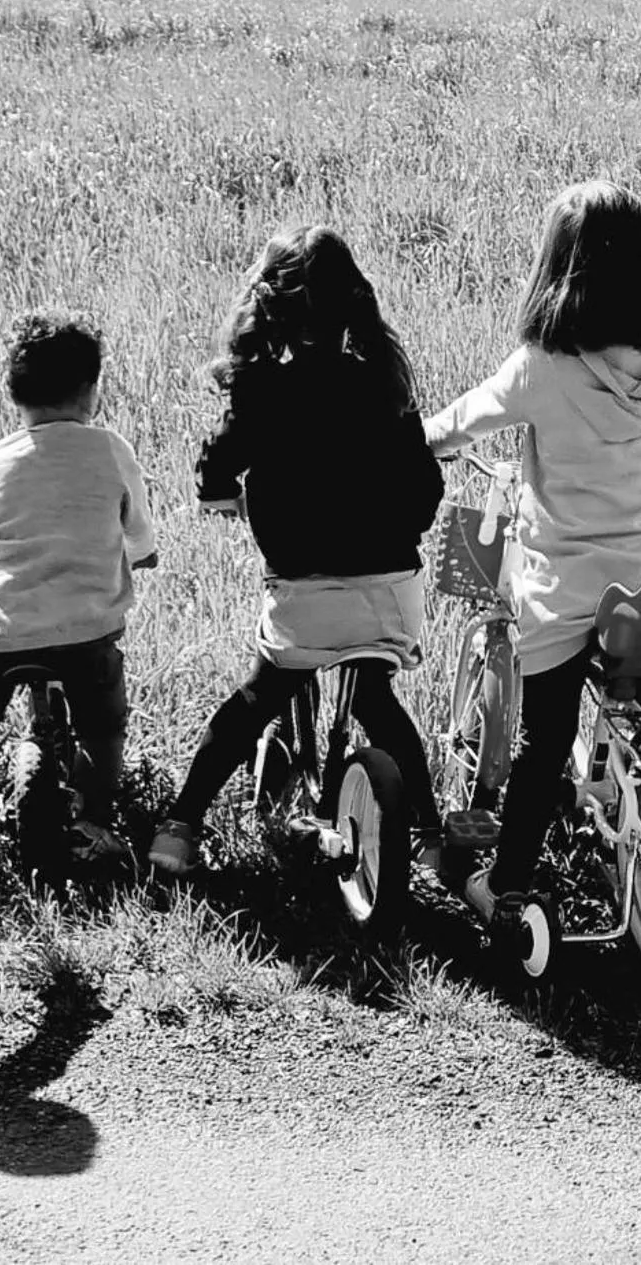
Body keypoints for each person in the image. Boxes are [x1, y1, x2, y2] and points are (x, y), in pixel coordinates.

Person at [424, 180, 641, 923]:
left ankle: (506, 885)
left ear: (558, 269)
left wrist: (416, 440)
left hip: (566, 585)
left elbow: (464, 421)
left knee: (544, 746)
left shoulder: (543, 366)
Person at [147, 226, 445, 878]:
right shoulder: (384, 383)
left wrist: (220, 491)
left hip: (304, 593)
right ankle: (428, 832)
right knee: (378, 706)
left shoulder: (261, 389)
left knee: (258, 699)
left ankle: (181, 823)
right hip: (390, 591)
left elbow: (218, 466)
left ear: (273, 309)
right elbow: (426, 486)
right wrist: (405, 531)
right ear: (354, 303)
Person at [0, 310, 157, 864]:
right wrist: (142, 555)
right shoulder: (111, 451)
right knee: (101, 725)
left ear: (14, 395)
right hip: (86, 632)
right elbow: (138, 531)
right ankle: (93, 825)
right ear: (92, 392)